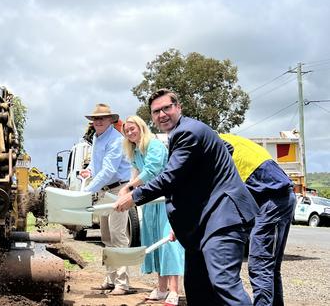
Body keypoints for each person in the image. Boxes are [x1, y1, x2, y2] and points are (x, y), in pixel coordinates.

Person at [113, 88, 259, 305]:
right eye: (156, 111)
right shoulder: (187, 132)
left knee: (224, 284)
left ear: (178, 107)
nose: (162, 114)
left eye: (167, 108)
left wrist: (134, 196)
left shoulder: (187, 132)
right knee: (197, 288)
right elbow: (224, 148)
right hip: (202, 224)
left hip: (223, 218)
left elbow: (170, 177)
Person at [220, 133, 296, 306]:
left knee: (260, 266)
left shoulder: (217, 145)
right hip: (277, 197)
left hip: (274, 200)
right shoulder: (229, 139)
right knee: (270, 267)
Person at [121, 115, 184, 305]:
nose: (130, 132)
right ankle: (161, 288)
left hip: (166, 200)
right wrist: (128, 192)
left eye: (133, 128)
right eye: (127, 131)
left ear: (141, 127)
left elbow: (150, 171)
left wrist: (129, 188)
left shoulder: (154, 146)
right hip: (150, 202)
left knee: (168, 243)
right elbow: (136, 174)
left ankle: (174, 290)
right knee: (155, 243)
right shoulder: (134, 151)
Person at [80, 103, 132, 295]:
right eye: (95, 119)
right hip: (104, 191)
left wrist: (87, 191)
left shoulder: (116, 140)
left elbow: (109, 170)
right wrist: (89, 171)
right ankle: (110, 279)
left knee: (118, 235)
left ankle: (122, 283)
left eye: (102, 118)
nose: (97, 121)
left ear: (111, 120)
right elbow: (96, 164)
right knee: (106, 236)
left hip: (119, 189)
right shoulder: (96, 137)